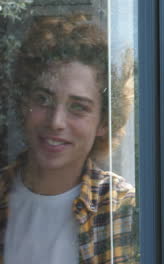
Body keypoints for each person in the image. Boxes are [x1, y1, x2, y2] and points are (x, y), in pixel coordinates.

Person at [0, 15, 138, 263]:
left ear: (104, 122)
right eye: (43, 99)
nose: (56, 122)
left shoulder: (126, 210)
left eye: (78, 107)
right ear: (24, 103)